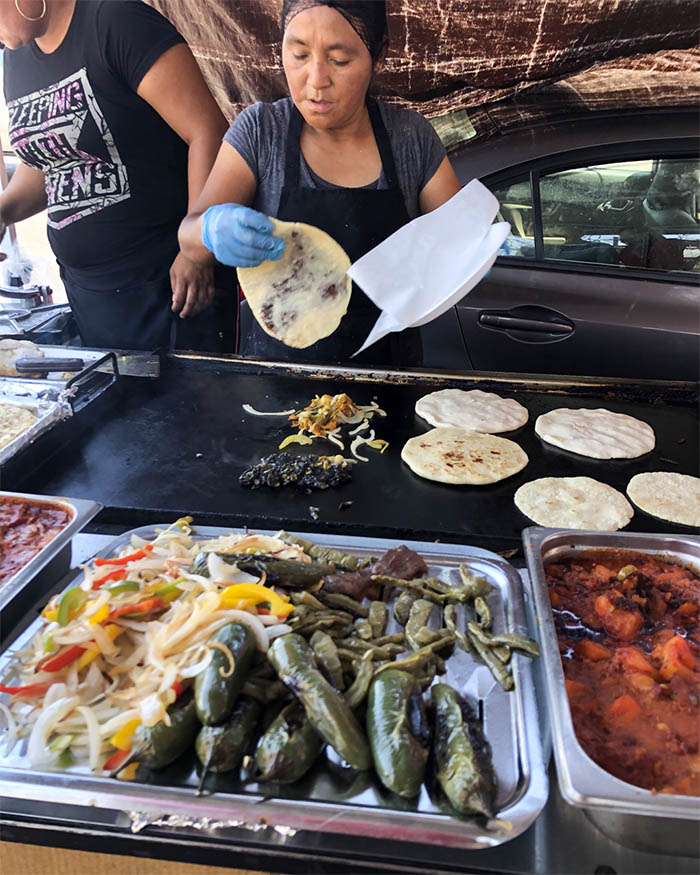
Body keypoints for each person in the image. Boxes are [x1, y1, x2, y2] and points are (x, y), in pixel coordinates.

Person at [179, 0, 462, 366]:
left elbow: (460, 239)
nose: (315, 81)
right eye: (298, 54)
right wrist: (210, 230)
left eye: (339, 60)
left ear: (378, 57)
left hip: (390, 377)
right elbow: (189, 242)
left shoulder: (410, 139)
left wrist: (474, 245)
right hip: (280, 383)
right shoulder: (261, 132)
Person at [0, 0, 235, 352]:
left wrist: (195, 249)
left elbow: (207, 131)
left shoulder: (116, 22)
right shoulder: (15, 56)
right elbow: (53, 161)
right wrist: (3, 211)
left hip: (168, 284)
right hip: (90, 295)